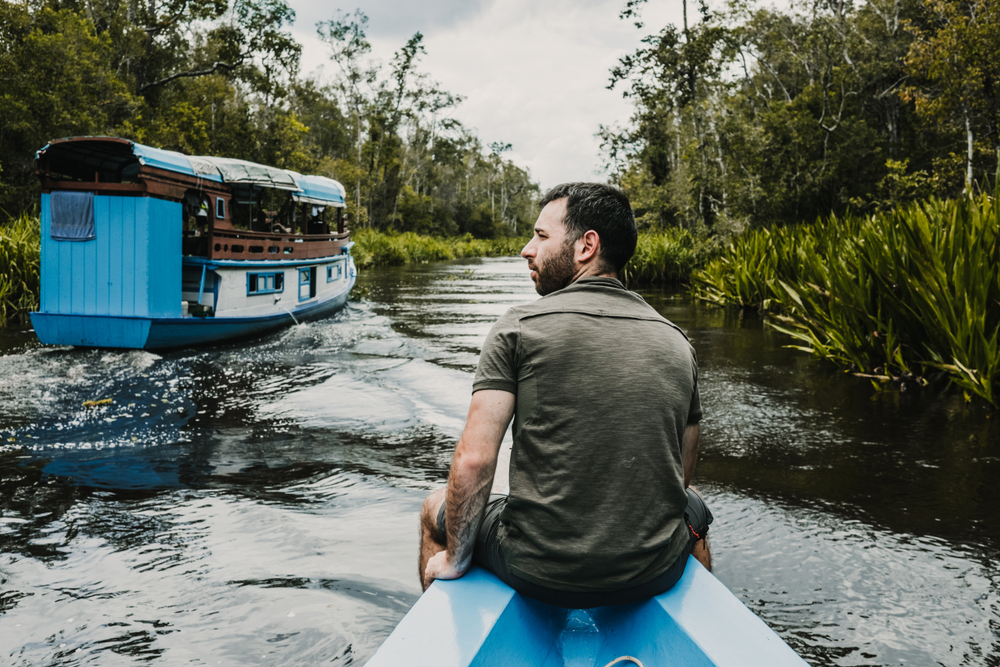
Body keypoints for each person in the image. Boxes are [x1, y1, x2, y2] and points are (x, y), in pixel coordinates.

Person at [419, 182, 712, 608]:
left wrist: (456, 559)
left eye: (540, 236)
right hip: (653, 571)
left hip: (536, 569)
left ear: (586, 246)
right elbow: (680, 476)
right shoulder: (677, 341)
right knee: (697, 509)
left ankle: (440, 639)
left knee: (433, 509)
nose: (526, 249)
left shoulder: (519, 326)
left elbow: (476, 459)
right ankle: (697, 625)